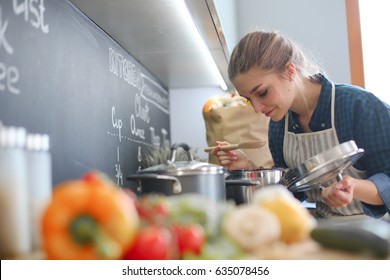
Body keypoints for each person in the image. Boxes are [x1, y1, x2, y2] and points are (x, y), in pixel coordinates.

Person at [211, 30, 390, 219]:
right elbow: (290, 191)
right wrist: (248, 169)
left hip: (377, 232)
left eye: (262, 93)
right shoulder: (280, 125)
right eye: (248, 99)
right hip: (325, 230)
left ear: (289, 71)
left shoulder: (359, 106)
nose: (257, 108)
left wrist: (353, 187)